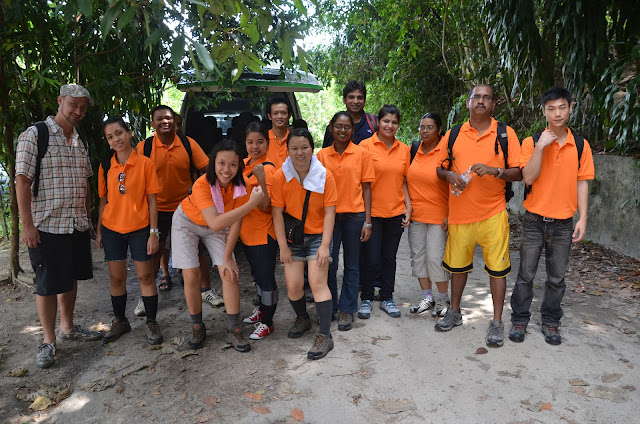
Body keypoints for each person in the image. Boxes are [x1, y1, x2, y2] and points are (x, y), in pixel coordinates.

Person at [16, 83, 103, 369]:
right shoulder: (36, 135)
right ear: (60, 101)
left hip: (75, 224)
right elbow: (23, 182)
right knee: (47, 284)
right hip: (46, 224)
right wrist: (27, 225)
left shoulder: (80, 140)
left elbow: (85, 182)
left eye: (83, 107)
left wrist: (88, 220)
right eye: (73, 105)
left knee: (71, 277)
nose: (78, 111)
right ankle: (48, 340)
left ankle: (68, 327)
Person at [435, 84, 522, 347]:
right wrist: (450, 175)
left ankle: (496, 322)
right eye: (477, 97)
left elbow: (518, 172)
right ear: (468, 103)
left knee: (497, 270)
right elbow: (440, 169)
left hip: (493, 214)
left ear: (494, 104)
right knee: (457, 268)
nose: (481, 101)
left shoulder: (506, 134)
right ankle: (455, 312)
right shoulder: (453, 134)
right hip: (460, 214)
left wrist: (495, 171)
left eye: (486, 98)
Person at [509, 86, 595, 345]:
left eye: (562, 108)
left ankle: (551, 321)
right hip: (534, 220)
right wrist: (540, 148)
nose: (557, 113)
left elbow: (582, 182)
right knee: (526, 273)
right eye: (551, 108)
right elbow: (528, 177)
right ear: (544, 111)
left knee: (557, 277)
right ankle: (519, 319)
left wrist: (583, 218)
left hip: (563, 223)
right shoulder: (531, 141)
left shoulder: (580, 145)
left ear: (570, 109)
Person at [171, 140, 265, 351]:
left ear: (239, 166)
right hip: (187, 222)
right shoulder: (202, 184)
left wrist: (228, 256)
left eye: (233, 164)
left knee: (229, 272)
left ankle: (234, 329)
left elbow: (236, 222)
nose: (226, 169)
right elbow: (215, 221)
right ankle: (197, 325)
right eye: (221, 163)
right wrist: (251, 204)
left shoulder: (242, 186)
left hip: (219, 226)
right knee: (191, 274)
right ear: (213, 163)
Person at [134, 106, 223, 312]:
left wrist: (199, 192)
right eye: (159, 119)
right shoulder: (143, 147)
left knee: (197, 249)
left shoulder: (187, 143)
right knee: (154, 252)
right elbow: (135, 180)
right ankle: (147, 296)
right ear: (152, 124)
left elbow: (207, 169)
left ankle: (206, 290)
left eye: (168, 118)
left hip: (185, 208)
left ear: (175, 121)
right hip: (156, 210)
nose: (165, 122)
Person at [271, 128, 337, 360]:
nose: (300, 153)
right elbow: (277, 213)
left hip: (318, 236)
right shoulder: (281, 176)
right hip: (294, 238)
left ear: (312, 149)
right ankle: (303, 318)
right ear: (287, 150)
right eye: (294, 148)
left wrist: (324, 246)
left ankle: (325, 335)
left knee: (318, 283)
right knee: (294, 286)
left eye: (304, 147)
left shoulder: (325, 176)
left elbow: (330, 213)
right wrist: (282, 247)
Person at [96, 118, 163, 345]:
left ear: (129, 133)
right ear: (108, 142)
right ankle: (120, 321)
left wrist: (154, 232)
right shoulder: (105, 166)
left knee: (145, 276)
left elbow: (152, 200)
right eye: (110, 137)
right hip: (112, 229)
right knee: (117, 277)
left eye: (119, 133)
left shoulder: (145, 164)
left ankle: (151, 322)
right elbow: (103, 201)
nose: (116, 139)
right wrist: (98, 231)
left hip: (140, 229)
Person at [317, 112, 374, 331]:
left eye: (347, 127)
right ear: (331, 127)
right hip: (328, 217)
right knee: (328, 264)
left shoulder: (362, 154)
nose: (342, 131)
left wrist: (368, 221)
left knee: (352, 265)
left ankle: (347, 310)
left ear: (353, 129)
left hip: (354, 216)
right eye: (338, 126)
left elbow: (367, 188)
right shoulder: (321, 156)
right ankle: (329, 306)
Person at [358, 105, 411, 319]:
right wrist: (365, 218)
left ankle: (387, 297)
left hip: (395, 212)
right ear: (378, 122)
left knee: (389, 257)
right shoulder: (365, 147)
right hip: (372, 213)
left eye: (394, 122)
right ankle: (367, 298)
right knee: (370, 258)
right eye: (386, 121)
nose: (390, 125)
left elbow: (405, 181)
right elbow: (361, 184)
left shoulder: (404, 149)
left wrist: (409, 207)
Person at [238, 122, 280, 340]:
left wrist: (261, 177)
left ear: (267, 143)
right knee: (256, 276)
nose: (255, 146)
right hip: (246, 233)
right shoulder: (243, 164)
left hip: (263, 234)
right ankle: (262, 312)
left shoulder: (269, 169)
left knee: (266, 281)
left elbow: (265, 206)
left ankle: (268, 322)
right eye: (250, 142)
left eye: (260, 142)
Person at [407, 113, 451, 317]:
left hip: (439, 217)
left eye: (430, 127)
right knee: (419, 258)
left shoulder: (446, 151)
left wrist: (452, 214)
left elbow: (456, 184)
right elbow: (404, 181)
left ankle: (443, 299)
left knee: (435, 258)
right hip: (417, 215)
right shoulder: (414, 149)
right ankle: (427, 297)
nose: (424, 130)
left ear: (439, 129)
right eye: (422, 126)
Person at [322, 81, 377, 147]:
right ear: (344, 100)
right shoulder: (334, 126)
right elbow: (326, 153)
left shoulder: (374, 123)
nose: (356, 101)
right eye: (351, 97)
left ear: (364, 101)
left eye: (359, 98)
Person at [265, 96, 293, 168]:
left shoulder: (294, 139)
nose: (280, 116)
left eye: (283, 113)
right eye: (275, 113)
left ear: (289, 115)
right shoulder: (263, 139)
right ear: (269, 116)